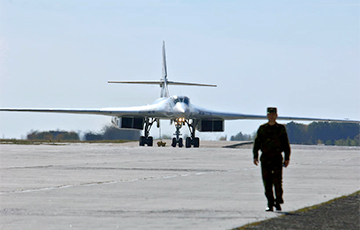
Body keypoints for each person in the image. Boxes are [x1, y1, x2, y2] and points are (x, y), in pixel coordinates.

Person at [253, 107, 291, 211]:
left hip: (277, 158)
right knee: (267, 182)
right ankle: (270, 203)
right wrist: (255, 156)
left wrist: (287, 158)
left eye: (273, 114)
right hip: (265, 158)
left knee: (277, 182)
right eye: (269, 114)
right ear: (267, 116)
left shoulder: (281, 128)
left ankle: (278, 201)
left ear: (276, 116)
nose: (271, 116)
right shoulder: (262, 128)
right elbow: (257, 143)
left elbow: (286, 144)